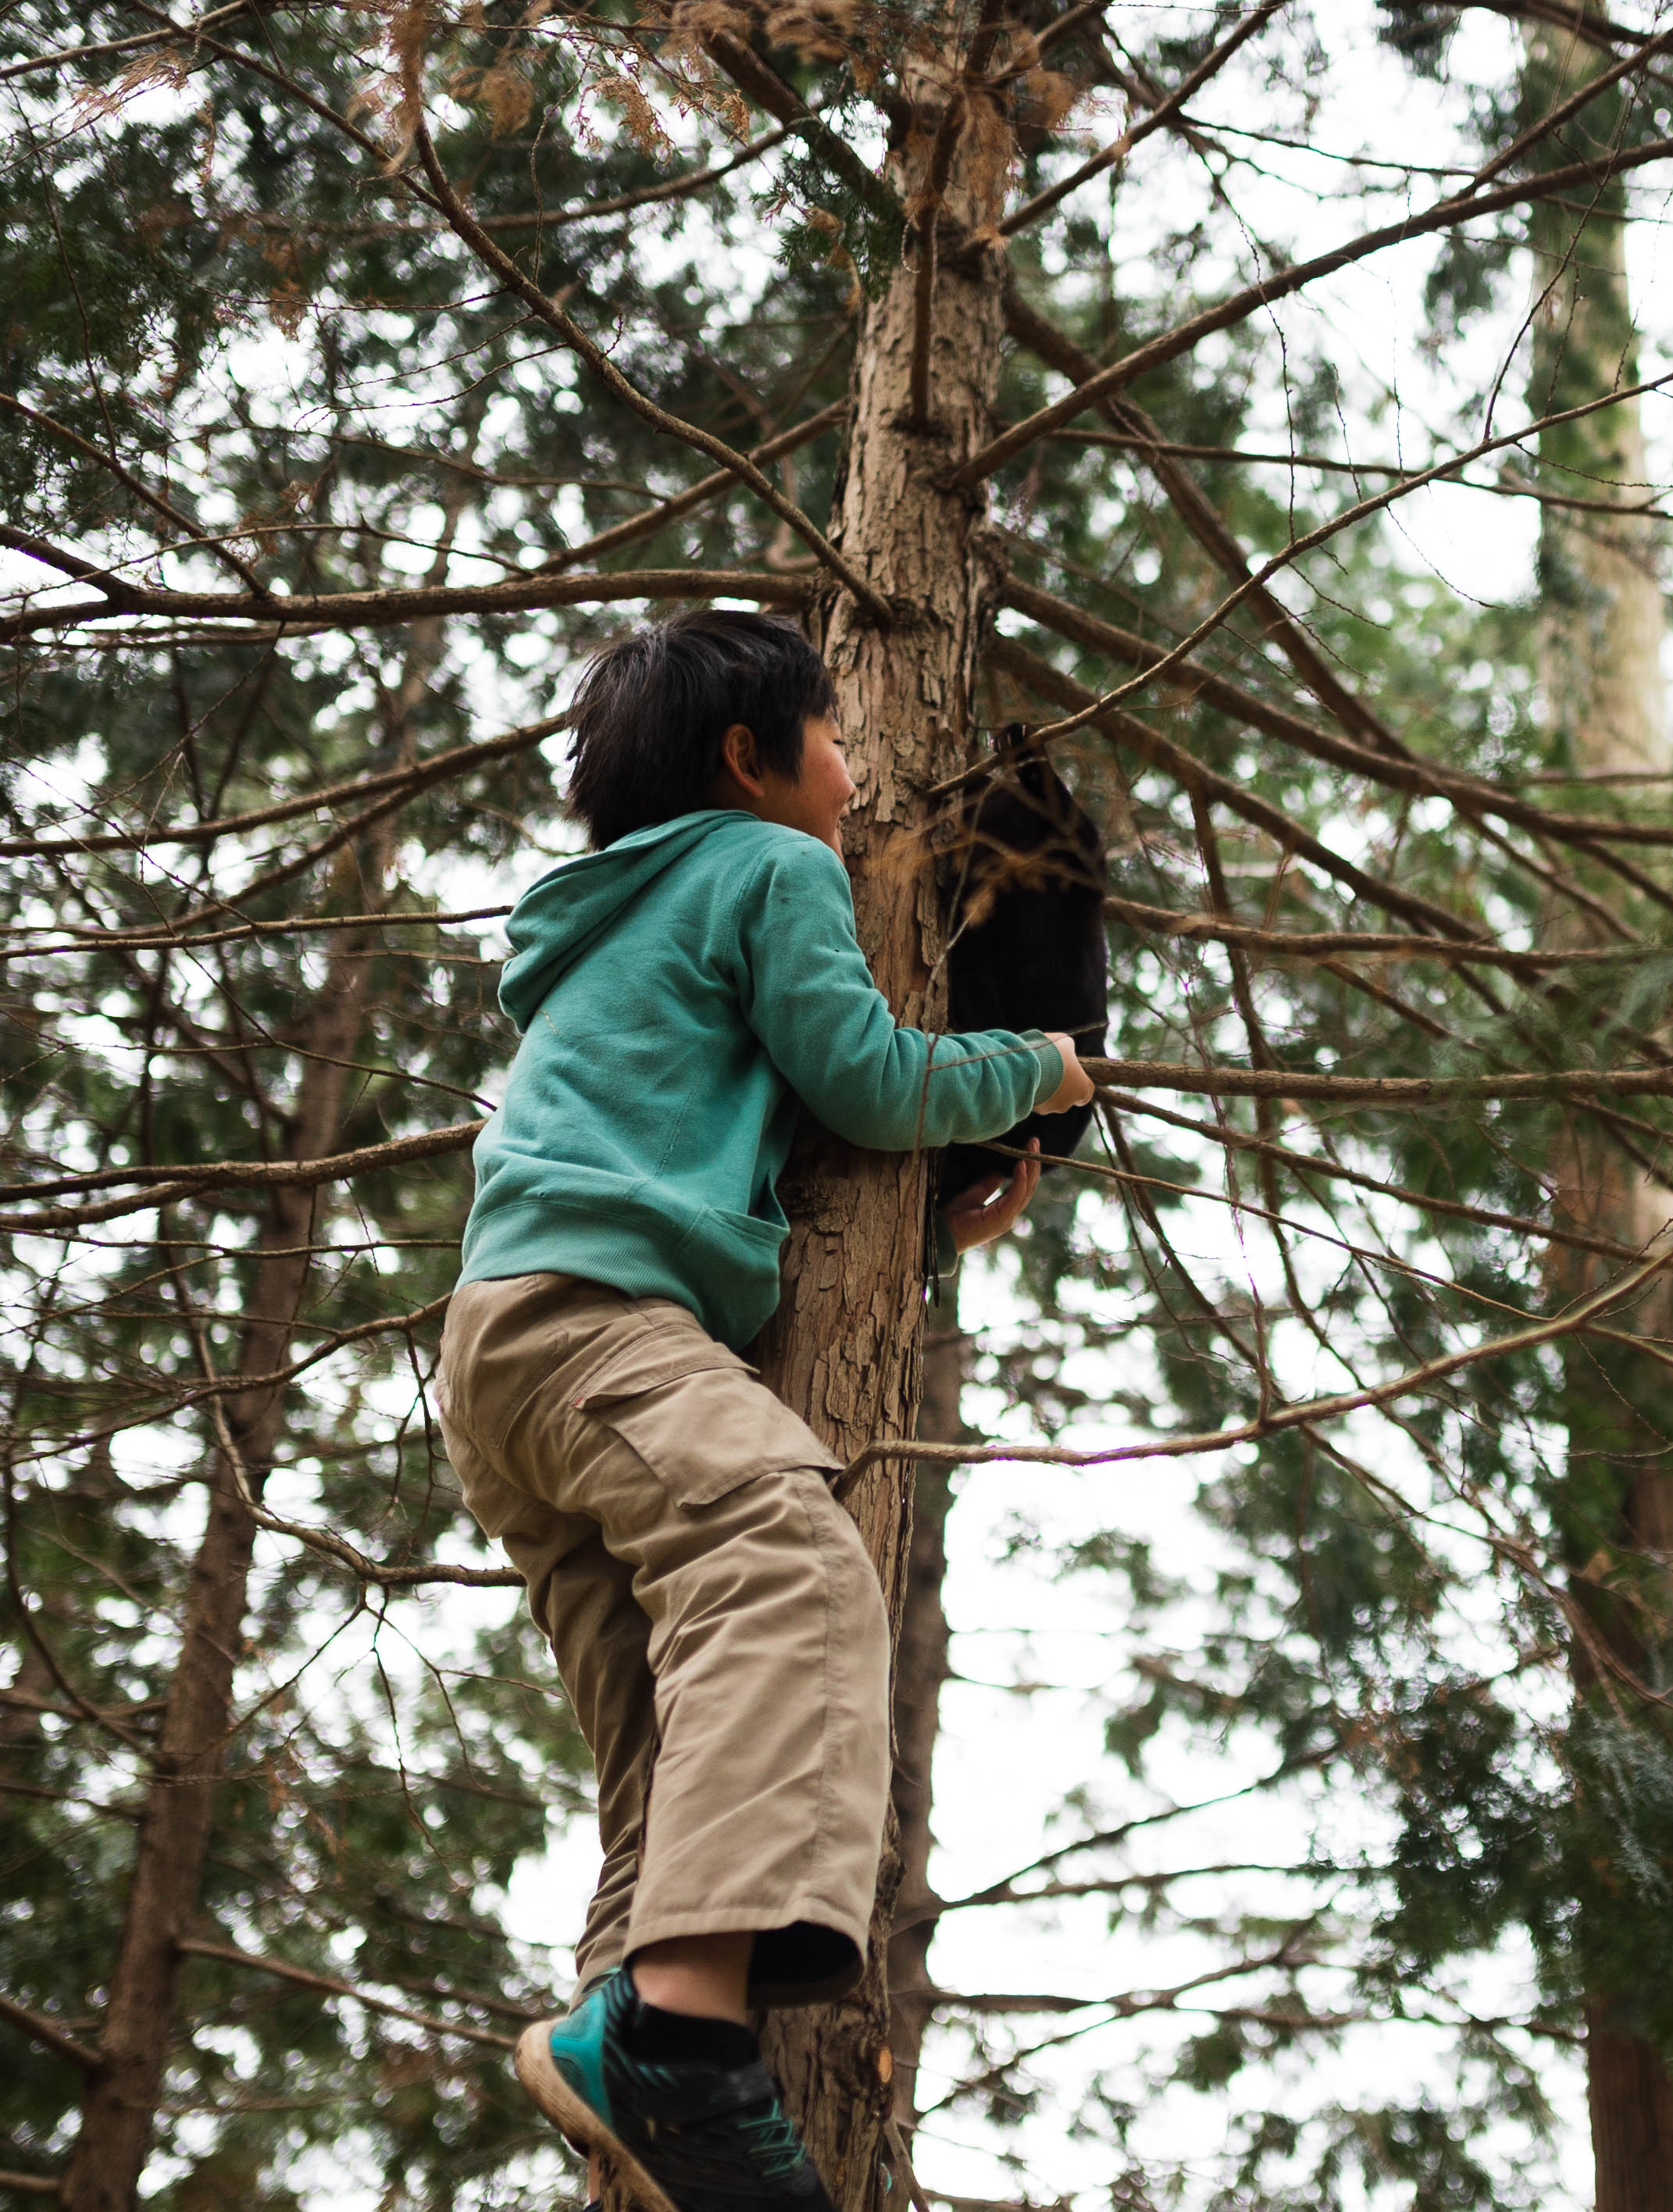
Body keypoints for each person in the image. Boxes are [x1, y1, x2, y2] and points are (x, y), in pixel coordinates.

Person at [435, 610, 1092, 2212]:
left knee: (666, 1737)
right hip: (603, 1320)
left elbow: (747, 1118)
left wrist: (918, 1219)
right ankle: (682, 2051)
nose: (859, 779)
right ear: (749, 759)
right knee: (787, 1571)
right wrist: (1035, 1075)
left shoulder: (600, 921)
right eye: (836, 738)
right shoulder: (768, 865)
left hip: (500, 1352)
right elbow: (864, 1076)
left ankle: (633, 2073)